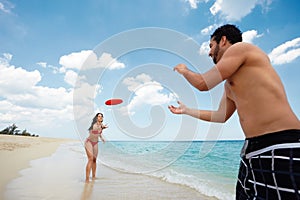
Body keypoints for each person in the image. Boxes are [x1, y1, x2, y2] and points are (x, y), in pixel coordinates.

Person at [168, 24, 300, 199]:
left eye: (210, 46)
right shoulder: (229, 84)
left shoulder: (241, 48)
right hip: (252, 151)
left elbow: (203, 84)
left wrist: (184, 70)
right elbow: (220, 116)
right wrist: (187, 110)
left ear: (223, 41)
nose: (208, 53)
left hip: (281, 144)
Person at [84, 112, 107, 183]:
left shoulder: (101, 125)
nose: (100, 117)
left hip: (95, 143)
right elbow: (94, 132)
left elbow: (99, 133)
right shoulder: (94, 125)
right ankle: (87, 179)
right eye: (99, 116)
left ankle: (93, 176)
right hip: (89, 142)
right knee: (90, 159)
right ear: (96, 118)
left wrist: (102, 138)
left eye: (101, 116)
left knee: (94, 160)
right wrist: (101, 128)